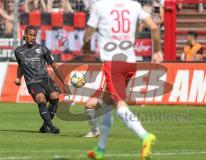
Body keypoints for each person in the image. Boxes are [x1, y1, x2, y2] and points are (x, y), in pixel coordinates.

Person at [81, 0, 163, 159]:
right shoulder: (134, 5)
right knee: (106, 102)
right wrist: (157, 51)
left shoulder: (100, 6)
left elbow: (88, 33)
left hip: (113, 63)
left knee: (119, 105)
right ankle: (100, 149)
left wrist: (85, 47)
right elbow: (154, 27)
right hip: (131, 62)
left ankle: (145, 135)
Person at [14, 25, 71, 134]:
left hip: (45, 79)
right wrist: (18, 77)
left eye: (34, 35)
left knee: (55, 97)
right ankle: (52, 128)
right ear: (25, 35)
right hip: (32, 81)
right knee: (41, 99)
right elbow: (21, 65)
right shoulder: (18, 51)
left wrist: (65, 83)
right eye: (30, 35)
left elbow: (54, 66)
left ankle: (45, 127)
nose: (32, 37)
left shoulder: (43, 49)